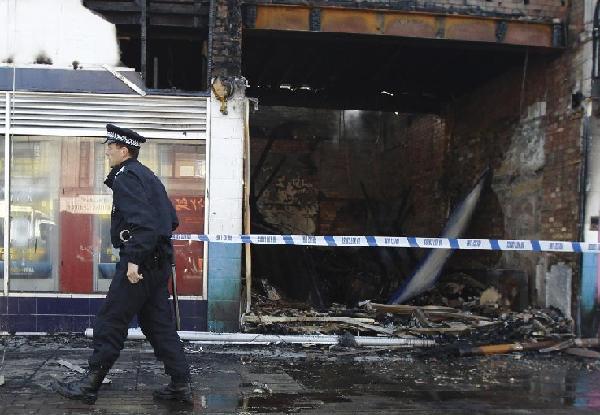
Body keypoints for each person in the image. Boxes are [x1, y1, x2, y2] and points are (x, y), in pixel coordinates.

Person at [55, 124, 192, 405]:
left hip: (140, 264)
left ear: (123, 150)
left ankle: (89, 386)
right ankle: (181, 384)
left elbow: (143, 224)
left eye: (110, 146)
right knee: (158, 325)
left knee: (111, 320)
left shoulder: (126, 177)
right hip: (157, 262)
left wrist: (133, 260)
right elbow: (170, 219)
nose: (106, 151)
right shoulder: (147, 175)